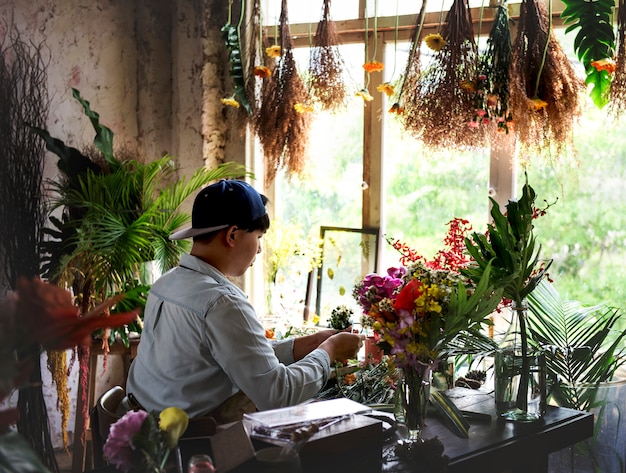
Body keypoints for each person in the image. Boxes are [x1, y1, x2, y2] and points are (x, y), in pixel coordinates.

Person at [126, 179, 363, 423]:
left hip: (145, 430)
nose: (259, 250)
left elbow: (241, 355)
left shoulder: (165, 284)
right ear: (232, 235)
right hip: (194, 447)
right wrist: (329, 351)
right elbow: (278, 394)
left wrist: (311, 343)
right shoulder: (222, 302)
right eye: (259, 236)